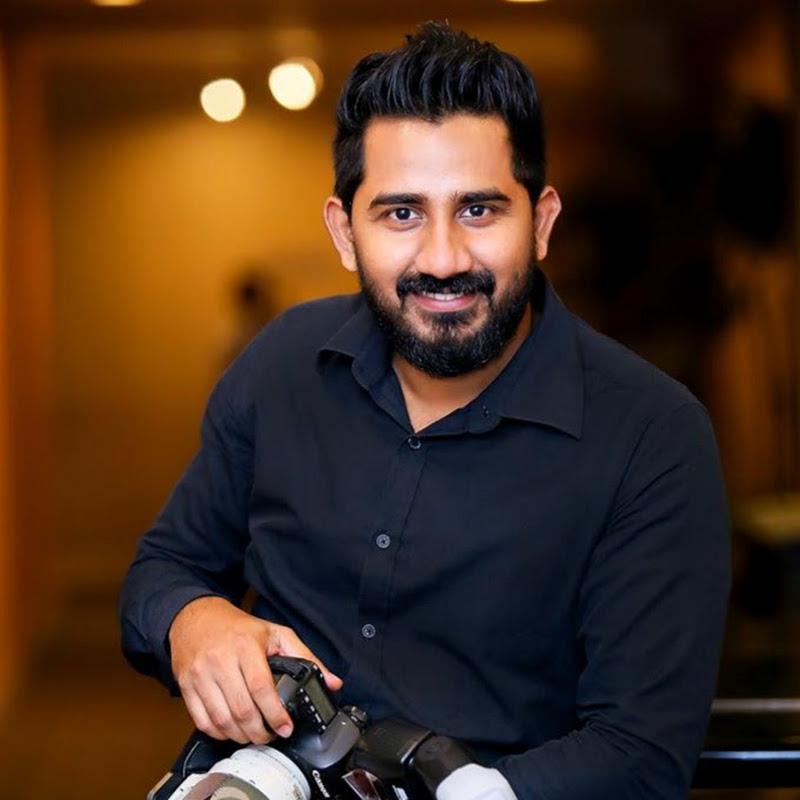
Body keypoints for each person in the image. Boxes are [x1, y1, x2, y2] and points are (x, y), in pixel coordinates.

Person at [119, 23, 730, 800]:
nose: (443, 260)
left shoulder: (652, 434)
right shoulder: (280, 365)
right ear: (345, 232)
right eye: (401, 214)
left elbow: (640, 757)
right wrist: (193, 620)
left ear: (541, 222)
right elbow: (161, 569)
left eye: (478, 211)